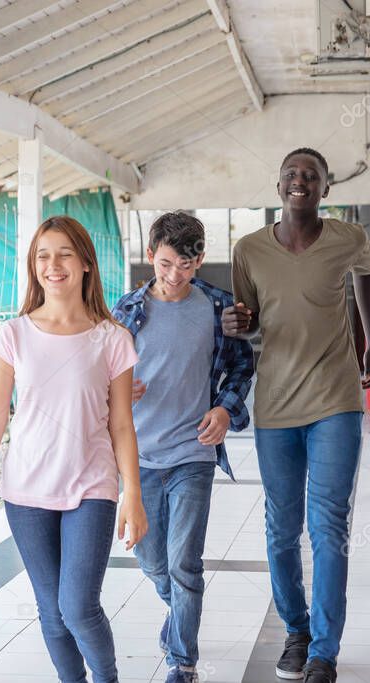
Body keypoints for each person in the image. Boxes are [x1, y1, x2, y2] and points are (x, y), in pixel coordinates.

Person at [0, 215, 148, 683]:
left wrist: (133, 495)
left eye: (64, 253)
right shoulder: (14, 335)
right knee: (51, 609)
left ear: (85, 263)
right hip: (26, 491)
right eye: (42, 255)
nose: (52, 264)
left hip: (92, 485)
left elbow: (122, 424)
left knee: (78, 606)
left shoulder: (113, 338)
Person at [223, 148, 370, 683]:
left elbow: (368, 276)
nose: (300, 181)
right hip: (276, 406)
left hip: (336, 400)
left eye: (310, 175)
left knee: (328, 525)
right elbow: (247, 325)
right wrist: (233, 323)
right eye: (291, 173)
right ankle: (296, 629)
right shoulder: (249, 250)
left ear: (325, 189)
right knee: (281, 527)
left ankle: (324, 651)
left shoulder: (348, 240)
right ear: (279, 187)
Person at [111, 212, 254, 683]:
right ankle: (180, 618)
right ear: (151, 255)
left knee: (184, 563)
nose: (176, 276)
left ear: (200, 260)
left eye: (187, 265)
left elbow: (240, 367)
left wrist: (226, 410)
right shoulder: (126, 312)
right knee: (153, 561)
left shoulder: (217, 307)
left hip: (193, 453)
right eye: (167, 263)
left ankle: (182, 661)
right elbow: (97, 376)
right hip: (139, 458)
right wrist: (113, 389)